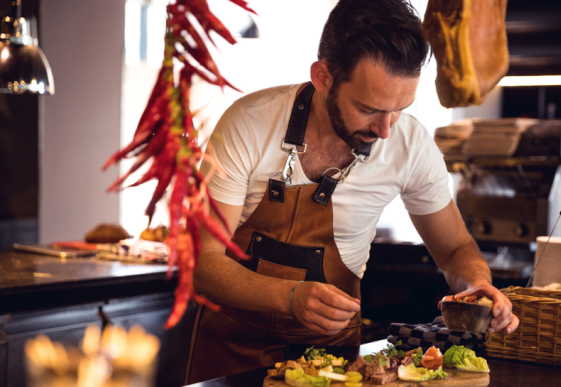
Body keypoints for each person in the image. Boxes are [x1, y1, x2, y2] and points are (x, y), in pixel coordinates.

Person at [186, 0, 519, 383]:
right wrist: (290, 297)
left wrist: (477, 284)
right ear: (323, 77)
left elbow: (456, 249)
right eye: (369, 108)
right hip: (229, 354)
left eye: (399, 109)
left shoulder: (409, 144)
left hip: (336, 365)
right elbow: (199, 260)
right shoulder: (248, 123)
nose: (386, 130)